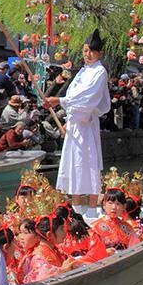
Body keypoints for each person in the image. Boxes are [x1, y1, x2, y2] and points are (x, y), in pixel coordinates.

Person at [43, 28, 110, 206]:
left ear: (99, 53)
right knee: (73, 165)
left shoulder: (99, 72)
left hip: (86, 124)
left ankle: (92, 206)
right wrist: (66, 119)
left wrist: (59, 100)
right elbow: (74, 97)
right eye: (85, 50)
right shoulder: (82, 71)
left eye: (92, 51)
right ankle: (76, 205)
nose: (88, 54)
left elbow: (87, 98)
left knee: (87, 163)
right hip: (74, 124)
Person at [90, 188, 140, 253]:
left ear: (124, 206)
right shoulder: (94, 227)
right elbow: (91, 252)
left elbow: (135, 250)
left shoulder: (128, 228)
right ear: (104, 205)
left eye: (118, 204)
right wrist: (104, 252)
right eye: (110, 203)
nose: (114, 207)